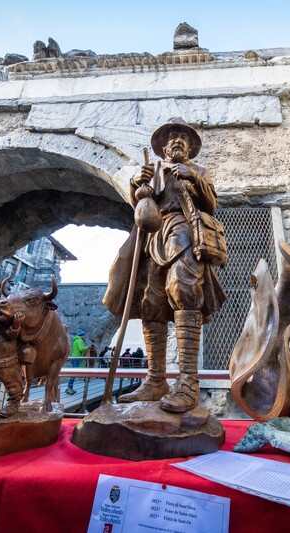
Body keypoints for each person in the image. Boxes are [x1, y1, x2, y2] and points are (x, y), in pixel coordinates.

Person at [104, 118, 227, 413]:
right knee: (151, 301)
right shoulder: (154, 170)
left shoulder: (199, 171)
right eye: (172, 137)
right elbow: (141, 205)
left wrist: (193, 179)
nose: (177, 141)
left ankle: (187, 383)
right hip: (153, 234)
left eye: (182, 138)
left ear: (189, 147)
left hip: (184, 229)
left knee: (183, 290)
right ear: (162, 146)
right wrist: (138, 185)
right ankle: (155, 379)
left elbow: (211, 204)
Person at [65, 329, 89, 395]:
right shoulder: (80, 340)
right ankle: (69, 388)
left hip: (74, 357)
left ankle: (70, 388)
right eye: (84, 335)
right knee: (74, 373)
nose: (84, 337)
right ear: (82, 335)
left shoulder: (75, 340)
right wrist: (87, 347)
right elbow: (81, 349)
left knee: (74, 373)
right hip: (77, 358)